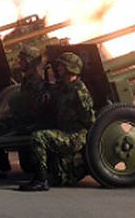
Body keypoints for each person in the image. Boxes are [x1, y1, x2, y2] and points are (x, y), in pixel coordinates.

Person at [19, 52, 95, 192]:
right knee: (30, 129)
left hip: (74, 135)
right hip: (63, 129)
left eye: (61, 65)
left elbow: (89, 121)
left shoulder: (80, 92)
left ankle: (41, 180)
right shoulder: (63, 86)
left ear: (69, 68)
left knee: (39, 137)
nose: (58, 68)